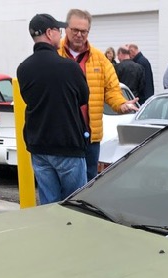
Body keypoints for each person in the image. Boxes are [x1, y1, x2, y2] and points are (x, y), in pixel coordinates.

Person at [17, 14, 89, 205]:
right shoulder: (70, 67)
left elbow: (27, 98)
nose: (62, 34)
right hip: (67, 143)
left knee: (48, 204)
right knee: (73, 205)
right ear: (49, 33)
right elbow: (83, 98)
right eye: (59, 30)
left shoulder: (24, 68)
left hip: (38, 144)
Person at [59, 9, 139, 181]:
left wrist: (121, 104)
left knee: (88, 186)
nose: (79, 35)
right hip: (62, 135)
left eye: (84, 31)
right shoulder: (55, 55)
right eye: (75, 30)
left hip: (90, 136)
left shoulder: (99, 59)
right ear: (66, 29)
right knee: (65, 187)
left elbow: (112, 89)